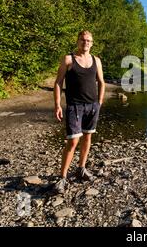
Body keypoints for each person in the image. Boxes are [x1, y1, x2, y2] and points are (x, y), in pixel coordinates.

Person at [53, 30, 105, 194]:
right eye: (83, 40)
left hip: (92, 106)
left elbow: (102, 82)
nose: (86, 43)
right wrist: (57, 105)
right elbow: (58, 83)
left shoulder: (96, 60)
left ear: (92, 43)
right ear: (77, 41)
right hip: (74, 106)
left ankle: (81, 169)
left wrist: (100, 103)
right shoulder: (68, 59)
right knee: (73, 142)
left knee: (87, 138)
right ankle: (62, 177)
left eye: (89, 40)